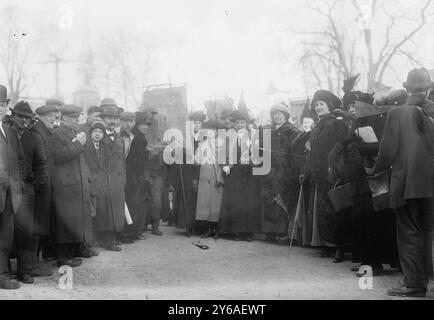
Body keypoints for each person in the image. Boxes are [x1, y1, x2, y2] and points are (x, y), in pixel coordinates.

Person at [373, 68, 434, 297]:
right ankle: (423, 280)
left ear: (407, 88)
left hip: (406, 184)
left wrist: (374, 169)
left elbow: (387, 152)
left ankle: (413, 284)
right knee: (427, 234)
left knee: (409, 233)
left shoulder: (397, 113)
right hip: (431, 186)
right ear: (428, 89)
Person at [300, 90, 349, 261]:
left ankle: (338, 246)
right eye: (317, 105)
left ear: (330, 105)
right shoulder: (317, 127)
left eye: (322, 104)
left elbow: (343, 150)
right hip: (318, 174)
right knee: (321, 210)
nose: (318, 107)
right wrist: (306, 171)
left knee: (334, 210)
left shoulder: (338, 125)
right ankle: (325, 244)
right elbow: (311, 152)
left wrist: (336, 171)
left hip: (333, 173)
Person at [4, 101, 47, 284]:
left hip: (26, 189)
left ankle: (25, 270)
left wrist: (34, 184)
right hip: (5, 188)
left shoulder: (34, 138)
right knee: (4, 230)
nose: (24, 121)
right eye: (21, 117)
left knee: (25, 231)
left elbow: (41, 164)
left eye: (28, 119)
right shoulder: (4, 133)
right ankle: (4, 270)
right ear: (13, 115)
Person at [52, 104, 93, 267]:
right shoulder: (57, 133)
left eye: (78, 117)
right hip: (65, 185)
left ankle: (71, 253)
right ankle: (63, 258)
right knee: (65, 222)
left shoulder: (72, 132)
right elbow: (59, 156)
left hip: (74, 183)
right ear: (66, 118)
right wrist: (78, 144)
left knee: (74, 219)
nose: (78, 120)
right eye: (75, 118)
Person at [260, 100, 300, 241]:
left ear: (285, 115)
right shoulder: (267, 131)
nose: (277, 116)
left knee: (281, 198)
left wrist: (289, 169)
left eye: (280, 114)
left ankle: (281, 231)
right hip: (268, 170)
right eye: (275, 114)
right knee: (268, 198)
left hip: (284, 171)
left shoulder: (293, 131)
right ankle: (268, 232)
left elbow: (295, 152)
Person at [220, 110, 261, 241]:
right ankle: (236, 231)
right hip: (234, 172)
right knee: (235, 201)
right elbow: (223, 152)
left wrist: (253, 159)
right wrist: (225, 164)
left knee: (249, 201)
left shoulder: (252, 136)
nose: (239, 125)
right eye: (237, 123)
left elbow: (258, 152)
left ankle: (249, 232)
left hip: (249, 172)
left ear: (246, 123)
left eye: (242, 122)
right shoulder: (229, 137)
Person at [0, 85, 25, 290]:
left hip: (9, 194)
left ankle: (1, 274)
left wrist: (18, 185)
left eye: (2, 104)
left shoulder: (9, 131)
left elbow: (18, 162)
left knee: (6, 236)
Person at [33, 104, 62, 262]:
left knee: (45, 222)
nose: (54, 119)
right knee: (38, 224)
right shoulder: (37, 132)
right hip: (40, 187)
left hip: (48, 185)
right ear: (40, 116)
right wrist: (40, 183)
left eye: (55, 116)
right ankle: (33, 263)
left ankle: (39, 259)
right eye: (50, 116)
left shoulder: (48, 133)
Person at [98, 106, 127, 250]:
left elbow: (122, 162)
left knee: (115, 210)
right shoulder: (98, 137)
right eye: (109, 118)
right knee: (105, 211)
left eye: (115, 118)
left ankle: (112, 238)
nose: (112, 121)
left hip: (117, 180)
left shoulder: (119, 139)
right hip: (104, 180)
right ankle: (107, 240)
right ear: (103, 120)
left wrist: (123, 180)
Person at [175, 111, 207, 236]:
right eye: (194, 123)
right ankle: (188, 225)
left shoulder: (205, 137)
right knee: (188, 197)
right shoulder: (186, 138)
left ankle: (200, 226)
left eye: (199, 123)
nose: (196, 125)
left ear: (202, 124)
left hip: (201, 169)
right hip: (188, 170)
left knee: (200, 197)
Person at [195, 120, 225, 238]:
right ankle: (209, 228)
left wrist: (220, 176)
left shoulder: (222, 144)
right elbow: (197, 161)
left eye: (214, 130)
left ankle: (217, 229)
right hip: (204, 175)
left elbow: (224, 162)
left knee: (216, 203)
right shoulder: (202, 144)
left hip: (217, 174)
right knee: (206, 203)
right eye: (209, 130)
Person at [124, 112, 151, 241]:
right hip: (132, 175)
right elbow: (132, 159)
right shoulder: (135, 138)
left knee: (137, 204)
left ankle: (135, 231)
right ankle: (130, 233)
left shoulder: (140, 137)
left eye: (147, 124)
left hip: (137, 175)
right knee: (132, 204)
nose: (145, 127)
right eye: (142, 124)